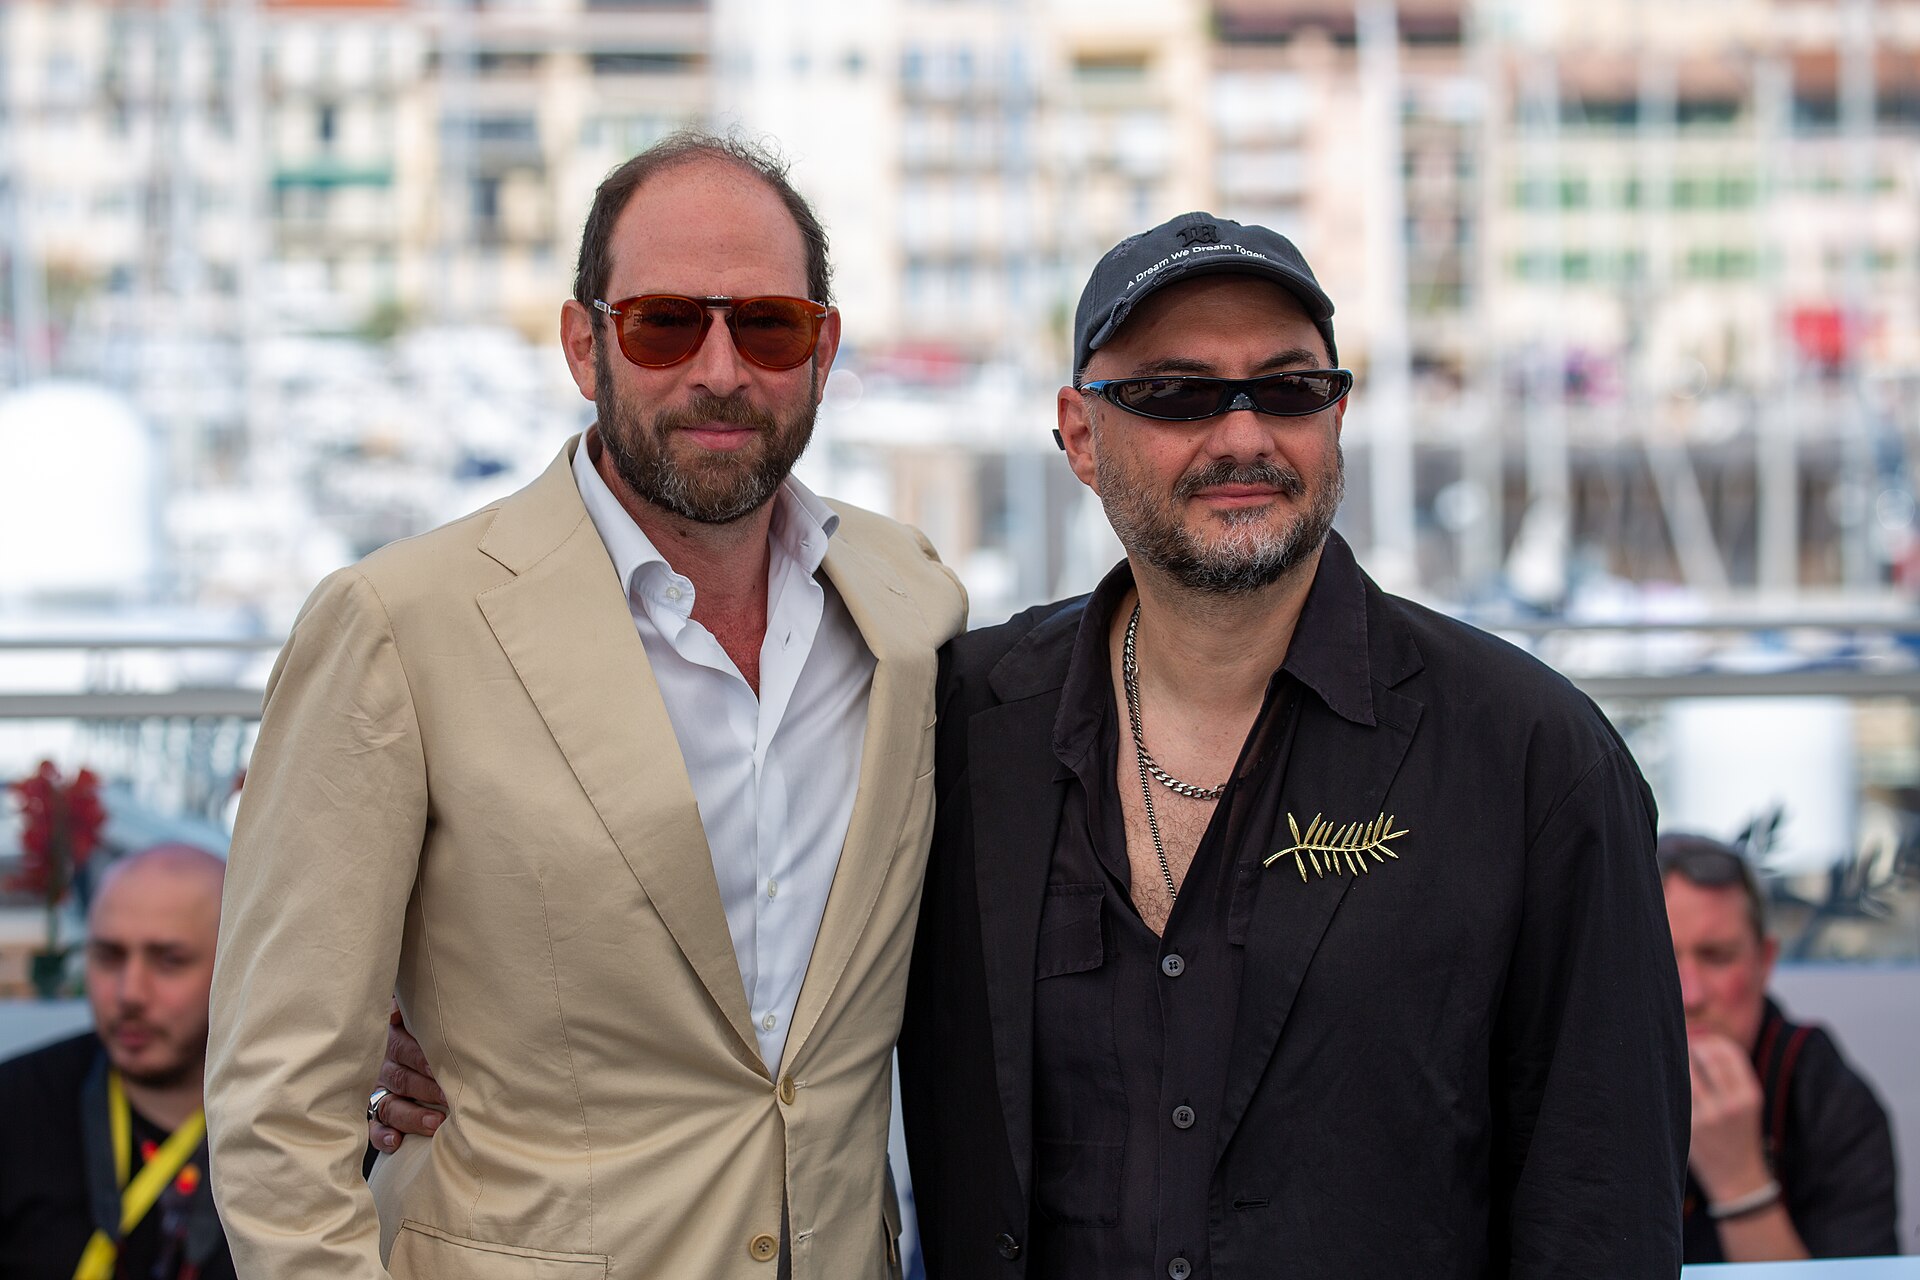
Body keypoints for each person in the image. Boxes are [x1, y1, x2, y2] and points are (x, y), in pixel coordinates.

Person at [205, 131, 966, 1279]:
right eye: (666, 322)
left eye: (767, 324)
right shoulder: (399, 623)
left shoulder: (910, 602)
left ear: (824, 348)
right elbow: (277, 1109)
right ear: (582, 342)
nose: (720, 369)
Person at [894, 212, 1689, 1278]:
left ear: (1338, 416)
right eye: (1176, 393)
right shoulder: (956, 724)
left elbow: (1603, 1211)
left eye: (1287, 388)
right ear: (1079, 434)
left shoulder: (1535, 759)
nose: (1241, 436)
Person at [1659, 832, 1901, 1262]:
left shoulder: (1823, 1094)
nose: (1690, 995)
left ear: (1764, 961)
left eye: (1716, 956)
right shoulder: (1568, 1082)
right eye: (1659, 959)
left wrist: (1740, 1182)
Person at [0, 844, 234, 1279]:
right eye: (108, 956)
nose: (129, 993)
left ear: (235, 968)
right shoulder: (13, 1108)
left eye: (169, 960)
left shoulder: (307, 1127)